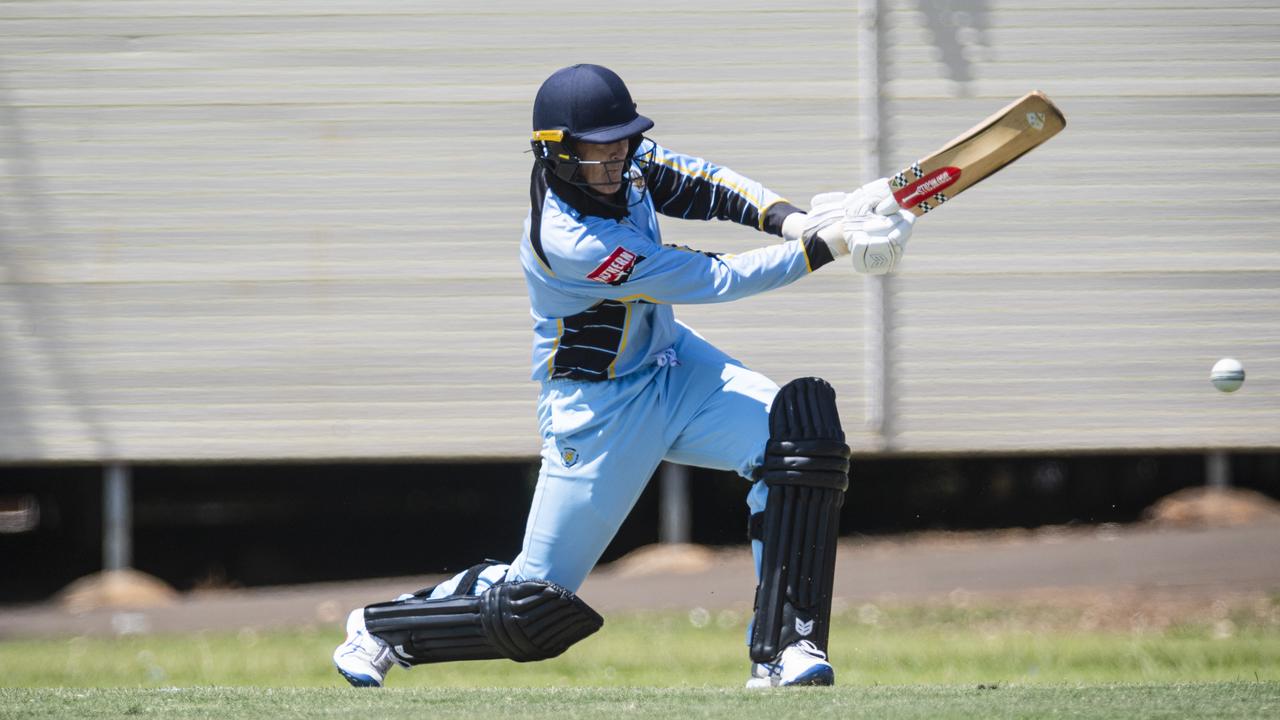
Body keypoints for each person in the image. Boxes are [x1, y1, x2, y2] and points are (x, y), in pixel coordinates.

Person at [333, 63, 914, 689]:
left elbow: (708, 184)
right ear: (555, 153)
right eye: (597, 151)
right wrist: (826, 247)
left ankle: (783, 652)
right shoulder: (569, 240)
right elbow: (712, 278)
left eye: (624, 144)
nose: (616, 163)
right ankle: (384, 628)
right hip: (600, 409)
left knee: (799, 446)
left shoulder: (625, 160)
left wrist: (794, 220)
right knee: (535, 603)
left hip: (676, 367)